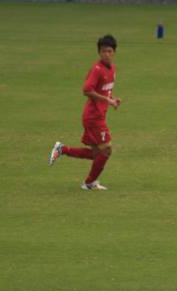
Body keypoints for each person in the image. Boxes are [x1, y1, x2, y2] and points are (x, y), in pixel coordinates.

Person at [49, 35, 121, 191]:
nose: (106, 54)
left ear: (114, 52)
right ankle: (89, 182)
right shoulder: (97, 69)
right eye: (103, 51)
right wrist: (106, 100)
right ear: (99, 52)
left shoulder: (112, 69)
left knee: (96, 154)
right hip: (93, 117)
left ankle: (62, 149)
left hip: (98, 115)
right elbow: (87, 90)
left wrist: (112, 99)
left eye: (109, 51)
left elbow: (105, 90)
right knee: (106, 150)